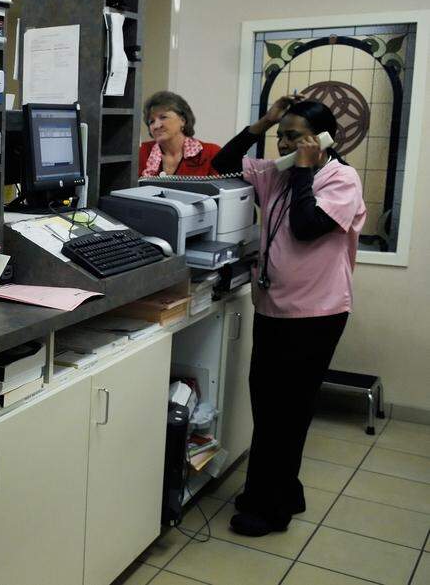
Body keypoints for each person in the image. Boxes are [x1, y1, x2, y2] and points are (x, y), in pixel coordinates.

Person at [212, 96, 366, 537]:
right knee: (267, 404)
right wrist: (263, 123)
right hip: (273, 306)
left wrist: (302, 168)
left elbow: (305, 226)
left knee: (289, 412)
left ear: (320, 139)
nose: (284, 143)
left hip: (317, 314)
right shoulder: (276, 173)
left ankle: (270, 508)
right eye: (283, 136)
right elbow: (222, 164)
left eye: (294, 136)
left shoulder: (342, 179)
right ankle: (283, 489)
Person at [138, 91, 221, 177]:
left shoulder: (211, 153)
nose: (156, 125)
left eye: (163, 117)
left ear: (183, 120)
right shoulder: (141, 152)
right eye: (151, 121)